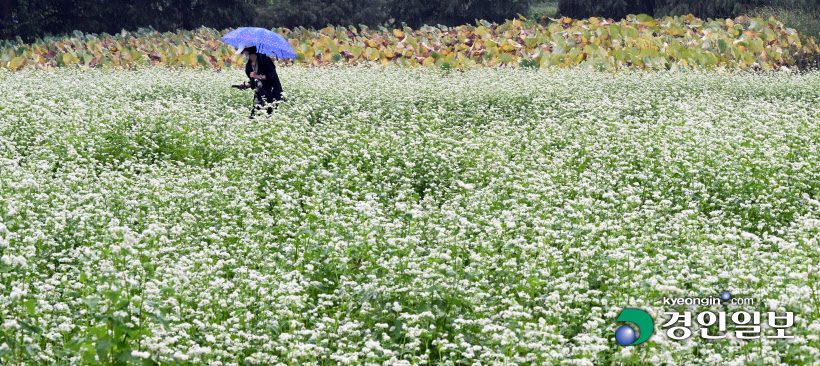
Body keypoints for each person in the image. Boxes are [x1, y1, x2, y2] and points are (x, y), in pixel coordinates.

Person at [234, 44, 283, 118]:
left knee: (270, 115)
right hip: (260, 93)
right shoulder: (248, 66)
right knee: (254, 116)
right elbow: (253, 81)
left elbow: (272, 76)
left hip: (272, 92)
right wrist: (246, 86)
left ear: (248, 51)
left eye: (242, 52)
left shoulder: (264, 59)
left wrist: (258, 76)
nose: (242, 55)